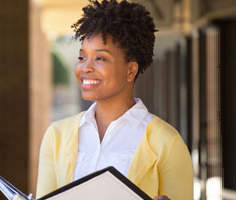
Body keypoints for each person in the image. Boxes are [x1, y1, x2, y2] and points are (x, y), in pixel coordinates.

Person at [35, 0, 193, 200]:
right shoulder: (56, 136)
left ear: (130, 70)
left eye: (100, 58)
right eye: (82, 57)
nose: (85, 68)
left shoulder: (167, 143)